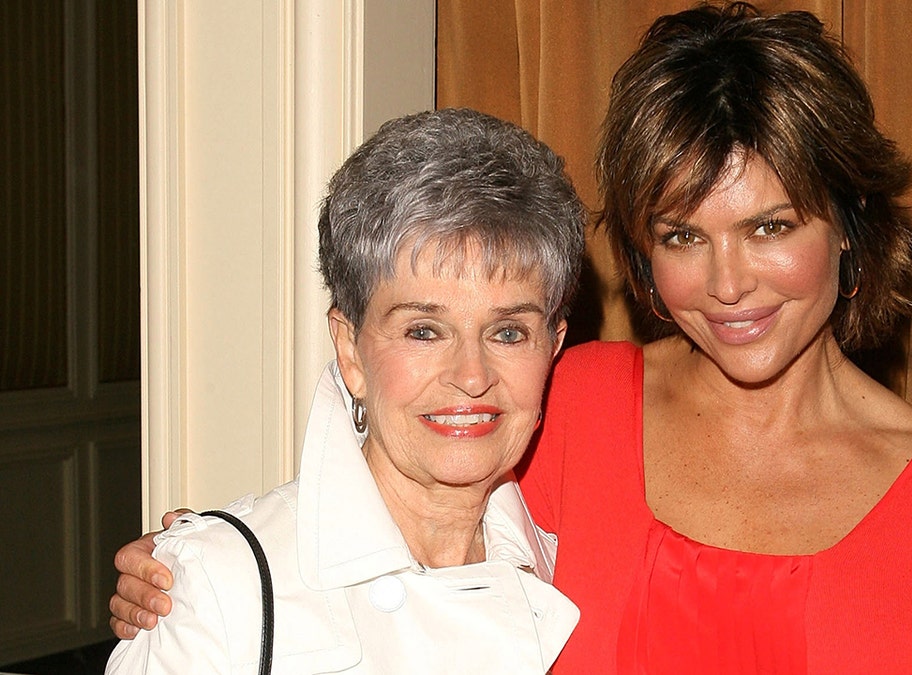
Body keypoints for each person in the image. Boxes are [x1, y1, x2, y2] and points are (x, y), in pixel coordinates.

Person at [110, 4, 912, 673]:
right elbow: (387, 510)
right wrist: (205, 573)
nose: (727, 281)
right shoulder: (575, 402)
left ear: (849, 224)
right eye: (683, 235)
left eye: (771, 226)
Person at [105, 107, 584, 673]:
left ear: (552, 347)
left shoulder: (575, 571)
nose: (472, 375)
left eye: (508, 332)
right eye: (423, 330)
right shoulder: (222, 587)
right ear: (351, 349)